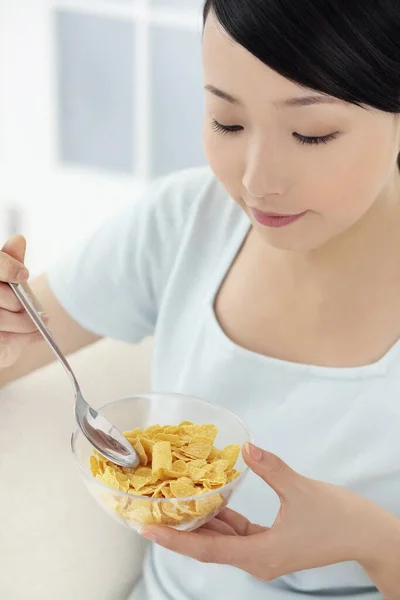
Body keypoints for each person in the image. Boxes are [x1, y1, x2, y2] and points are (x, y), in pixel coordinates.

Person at [1, 0, 400, 598]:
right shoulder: (185, 221)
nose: (258, 180)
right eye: (227, 122)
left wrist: (371, 542)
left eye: (312, 134)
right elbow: (21, 343)